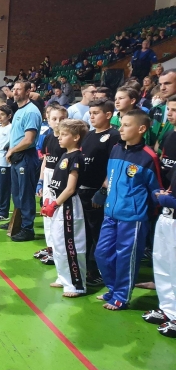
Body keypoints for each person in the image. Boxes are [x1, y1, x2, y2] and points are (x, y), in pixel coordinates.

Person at [94, 110, 161, 310]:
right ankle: (113, 289)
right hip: (110, 213)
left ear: (141, 129)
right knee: (101, 253)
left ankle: (121, 297)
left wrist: (146, 213)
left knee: (126, 258)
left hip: (133, 218)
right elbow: (110, 177)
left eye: (126, 125)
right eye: (121, 124)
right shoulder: (116, 149)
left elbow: (156, 189)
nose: (120, 129)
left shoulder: (149, 157)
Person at [41, 119, 89, 297]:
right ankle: (64, 277)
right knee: (58, 243)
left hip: (67, 205)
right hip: (58, 203)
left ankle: (77, 284)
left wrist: (55, 204)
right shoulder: (65, 155)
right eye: (59, 134)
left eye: (64, 135)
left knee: (70, 245)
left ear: (76, 137)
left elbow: (70, 188)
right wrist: (49, 200)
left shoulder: (76, 157)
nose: (59, 138)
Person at [142, 94, 176, 336]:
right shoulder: (171, 136)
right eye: (169, 109)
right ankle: (168, 309)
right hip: (166, 211)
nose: (170, 113)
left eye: (175, 109)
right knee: (163, 261)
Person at [80, 99, 121, 286]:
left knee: (98, 234)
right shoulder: (89, 135)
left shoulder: (114, 136)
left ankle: (98, 270)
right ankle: (86, 267)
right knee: (85, 233)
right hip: (83, 192)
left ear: (108, 115)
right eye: (90, 113)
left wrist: (104, 190)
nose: (92, 116)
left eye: (96, 113)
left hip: (98, 193)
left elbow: (113, 166)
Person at [2, 81, 43, 242]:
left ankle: (27, 228)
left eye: (19, 89)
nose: (15, 92)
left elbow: (29, 139)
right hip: (17, 156)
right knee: (17, 193)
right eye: (14, 89)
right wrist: (9, 147)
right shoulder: (19, 110)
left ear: (28, 92)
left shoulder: (31, 111)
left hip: (26, 156)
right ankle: (17, 222)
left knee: (25, 194)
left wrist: (12, 150)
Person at [35, 106, 67, 264]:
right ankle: (50, 247)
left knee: (57, 215)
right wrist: (40, 182)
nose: (58, 122)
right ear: (48, 120)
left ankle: (59, 250)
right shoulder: (48, 137)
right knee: (46, 212)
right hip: (47, 177)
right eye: (54, 119)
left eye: (62, 119)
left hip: (60, 178)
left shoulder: (66, 140)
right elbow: (46, 161)